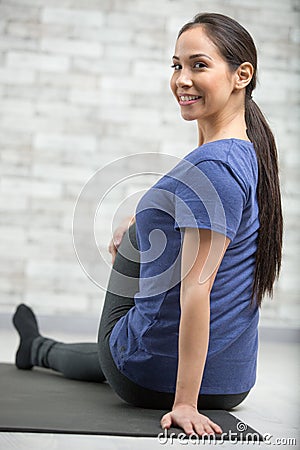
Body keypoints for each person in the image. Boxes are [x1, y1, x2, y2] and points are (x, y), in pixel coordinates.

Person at [12, 13, 283, 437]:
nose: (182, 79)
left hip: (152, 379)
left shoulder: (214, 167)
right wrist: (144, 213)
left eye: (199, 65)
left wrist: (186, 404)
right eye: (176, 66)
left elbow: (198, 289)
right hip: (231, 381)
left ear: (241, 75)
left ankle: (50, 349)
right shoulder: (246, 153)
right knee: (146, 233)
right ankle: (37, 347)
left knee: (116, 347)